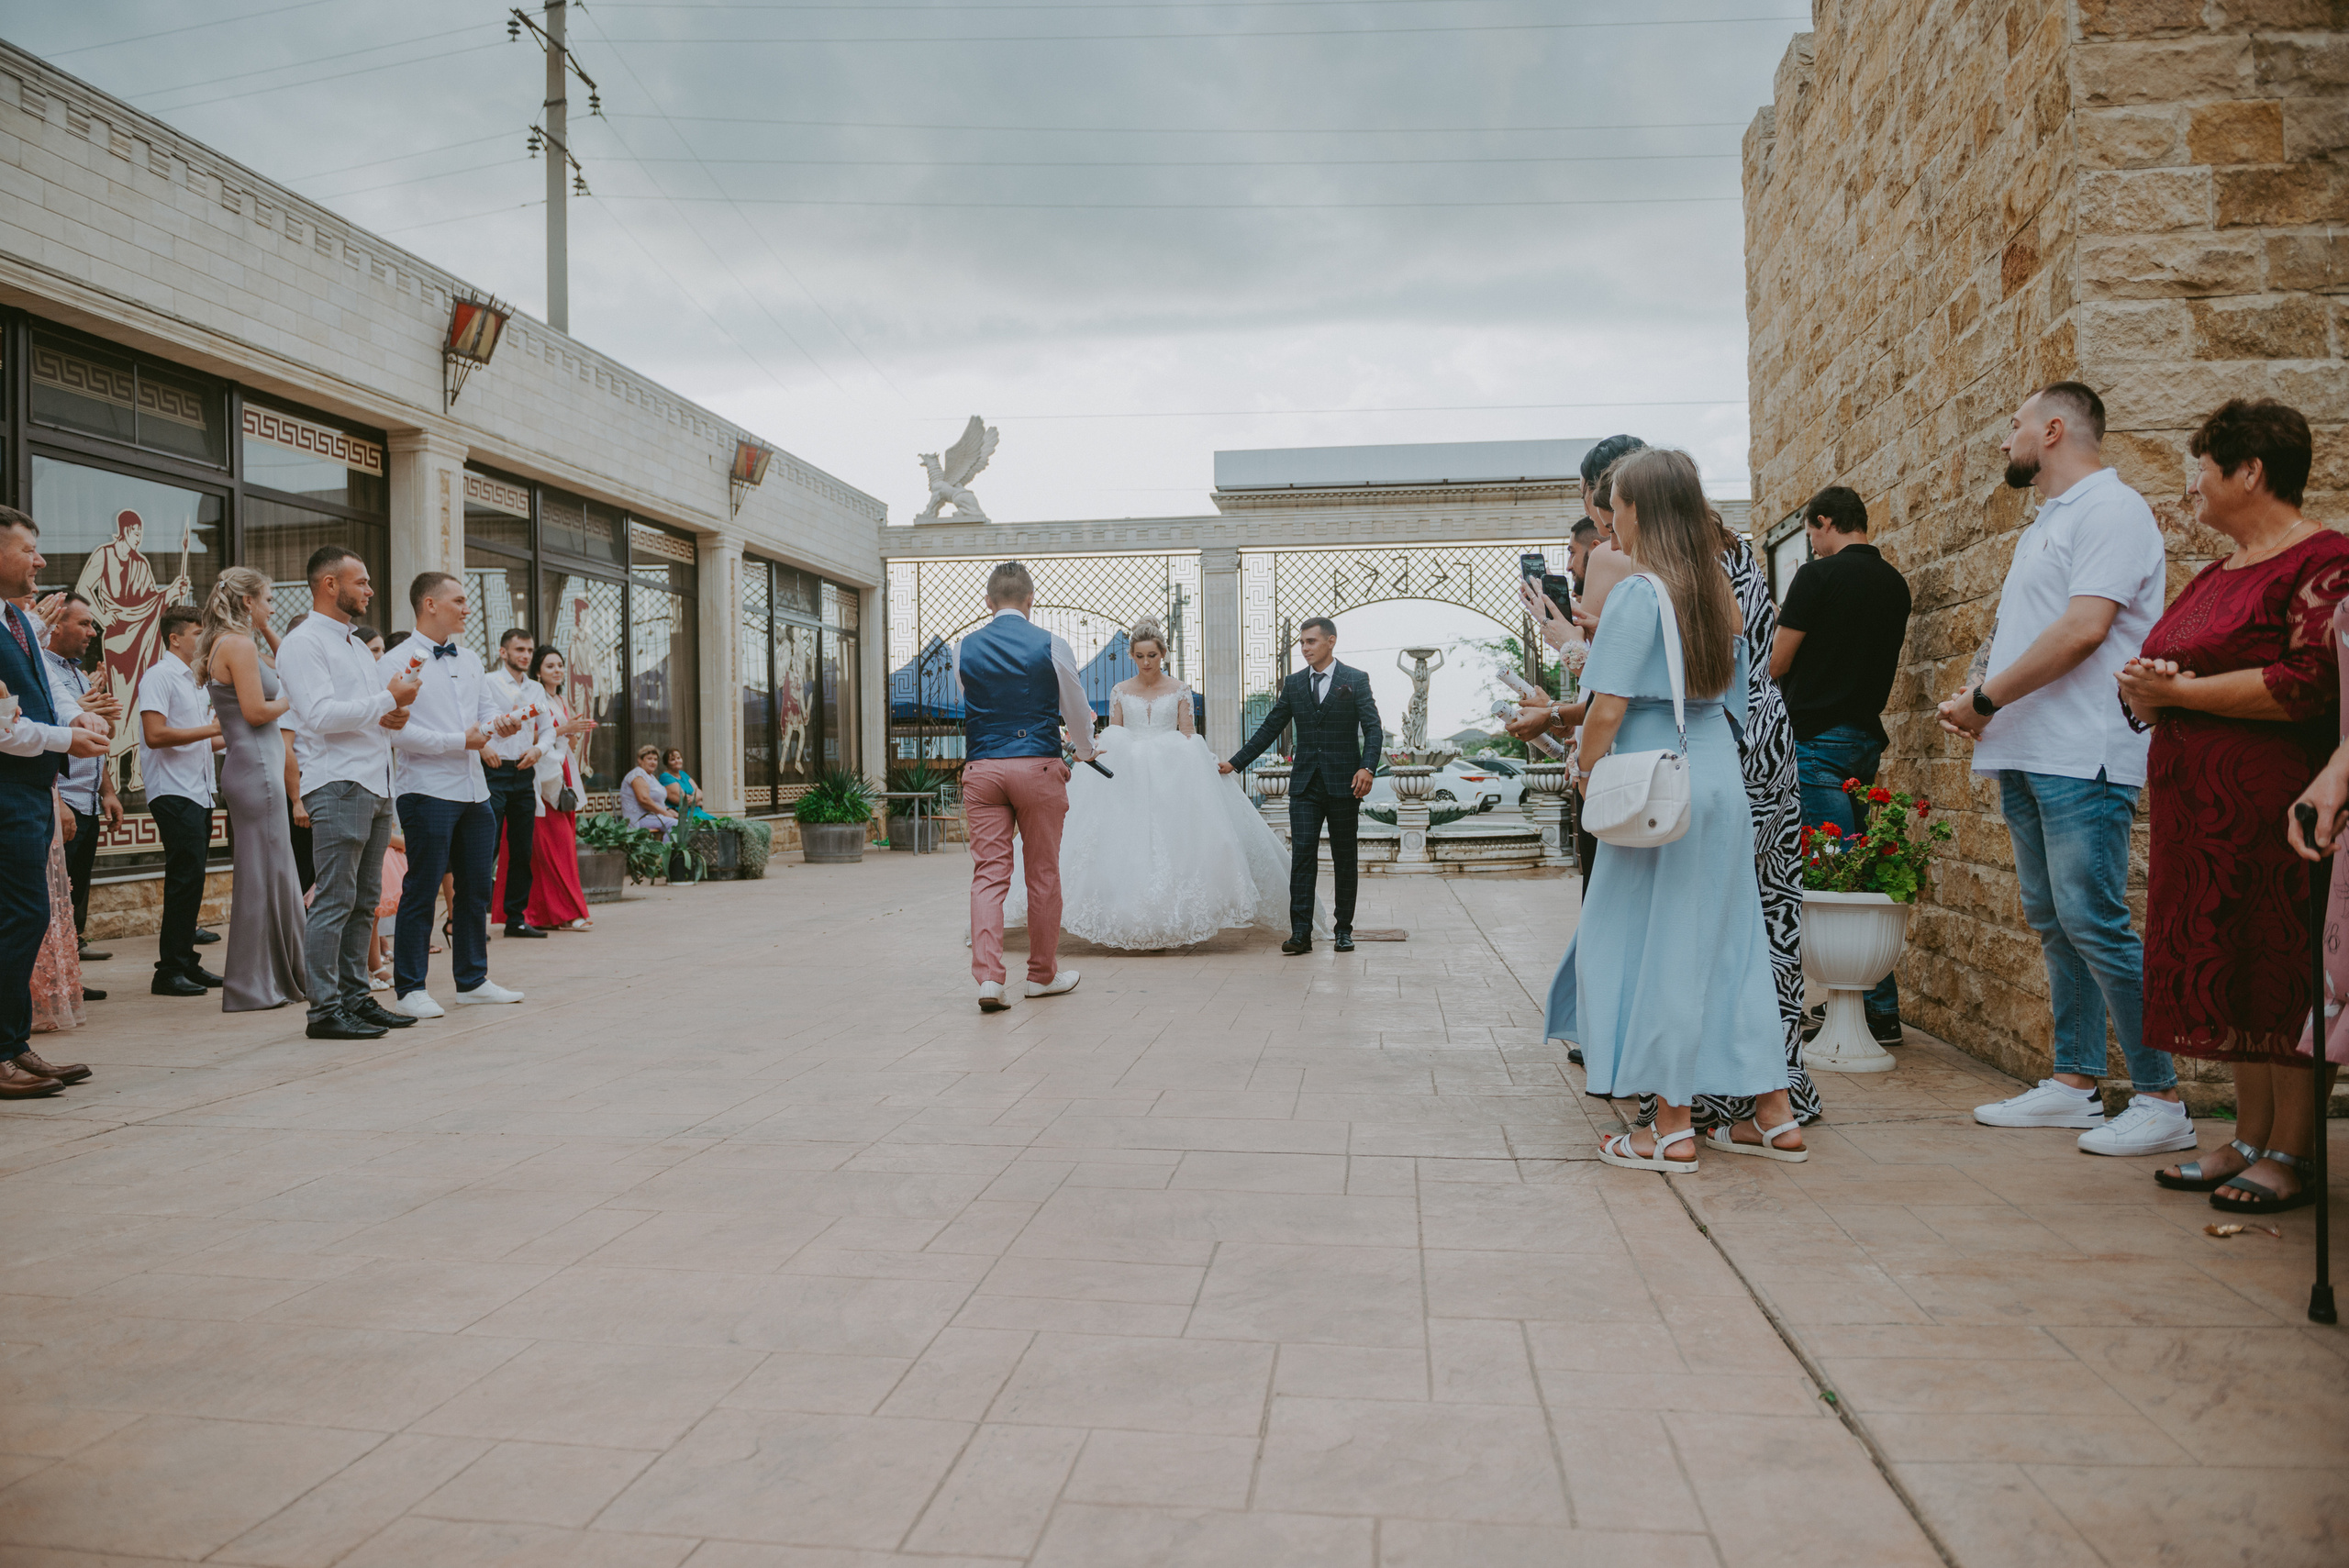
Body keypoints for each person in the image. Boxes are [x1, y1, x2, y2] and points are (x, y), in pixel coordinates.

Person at [1941, 382, 2181, 1150]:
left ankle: (2162, 1098)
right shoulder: (2049, 520)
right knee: (2054, 921)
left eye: (2012, 424)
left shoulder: (2113, 509)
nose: (2002, 439)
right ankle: (2076, 1083)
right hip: (2029, 749)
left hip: (2084, 753)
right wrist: (1976, 696)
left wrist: (1986, 698)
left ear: (2052, 429)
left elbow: (2084, 630)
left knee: (2095, 920)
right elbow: (2025, 630)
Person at [1553, 448, 1800, 1168]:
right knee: (1734, 945)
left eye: (1617, 505)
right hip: (1719, 775)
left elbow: (1607, 711)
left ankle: (1669, 1123)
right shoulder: (1716, 588)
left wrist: (1587, 768)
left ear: (1642, 510)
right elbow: (1732, 698)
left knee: (1658, 944)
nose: (1608, 521)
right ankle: (1773, 1116)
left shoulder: (1638, 593)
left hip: (1659, 785)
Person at [2131, 400, 2344, 1203]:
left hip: (2277, 807)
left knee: (2283, 970)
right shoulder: (2214, 573)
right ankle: (2247, 1137)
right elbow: (2164, 670)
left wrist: (2185, 693)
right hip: (2201, 818)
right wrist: (2150, 694)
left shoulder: (2323, 560)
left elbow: (2307, 681)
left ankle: (2292, 1152)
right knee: (2235, 977)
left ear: (2250, 471)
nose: (2194, 488)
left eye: (2204, 470)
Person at [1007, 617, 1308, 948]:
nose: (1146, 662)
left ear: (1162, 653)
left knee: (1177, 841)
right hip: (1127, 772)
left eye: (1152, 655)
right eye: (1139, 656)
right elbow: (1115, 733)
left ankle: (1174, 916)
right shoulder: (1120, 690)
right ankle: (1121, 912)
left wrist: (1207, 763)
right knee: (1118, 841)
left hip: (1172, 771)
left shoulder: (1179, 689)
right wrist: (1094, 751)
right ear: (1132, 657)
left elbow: (1188, 734)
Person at [1772, 484, 1914, 1036]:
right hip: (1862, 740)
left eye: (1810, 531)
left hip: (1815, 740)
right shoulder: (1893, 583)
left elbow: (1779, 662)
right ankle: (1875, 1003)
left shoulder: (1817, 577)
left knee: (1838, 873)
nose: (1810, 542)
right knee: (1860, 867)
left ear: (1825, 521)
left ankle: (1875, 1010)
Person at [279, 545, 419, 1042]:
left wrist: (393, 715)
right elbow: (316, 715)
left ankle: (357, 997)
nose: (370, 590)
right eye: (360, 581)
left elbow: (367, 711)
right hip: (337, 781)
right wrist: (388, 700)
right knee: (335, 899)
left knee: (364, 900)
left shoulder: (358, 646)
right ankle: (325, 1009)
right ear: (329, 584)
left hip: (375, 777)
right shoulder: (303, 643)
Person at [380, 573, 529, 1018]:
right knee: (422, 888)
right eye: (459, 600)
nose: (467, 608)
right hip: (426, 790)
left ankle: (473, 980)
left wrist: (498, 727)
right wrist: (457, 741)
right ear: (429, 604)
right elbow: (396, 731)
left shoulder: (470, 657)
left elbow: (484, 715)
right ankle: (410, 988)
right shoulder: (394, 660)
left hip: (474, 789)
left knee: (476, 889)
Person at [0, 506, 111, 1096]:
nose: (40, 561)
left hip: (27, 789)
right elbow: (1, 728)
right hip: (6, 791)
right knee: (18, 918)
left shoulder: (17, 622)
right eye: (28, 550)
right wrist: (69, 737)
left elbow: (39, 695)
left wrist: (78, 715)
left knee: (26, 917)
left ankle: (13, 1042)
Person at [955, 560, 1098, 1011]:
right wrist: (1086, 748)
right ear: (1031, 600)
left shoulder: (964, 648)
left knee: (988, 876)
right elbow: (1074, 706)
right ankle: (1041, 975)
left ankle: (988, 980)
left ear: (988, 602)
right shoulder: (1052, 644)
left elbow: (972, 700)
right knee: (1042, 873)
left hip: (982, 769)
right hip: (1037, 766)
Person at [1222, 616, 1383, 954]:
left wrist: (1367, 766)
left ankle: (1343, 930)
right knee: (1303, 856)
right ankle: (1301, 933)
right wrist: (1235, 763)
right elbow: (1269, 728)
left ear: (1331, 641)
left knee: (1344, 857)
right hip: (1306, 784)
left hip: (1345, 784)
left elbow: (1373, 728)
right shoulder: (1294, 684)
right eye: (1302, 642)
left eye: (1311, 641)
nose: (1305, 648)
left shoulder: (1355, 679)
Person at [195, 566, 307, 1013]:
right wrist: (294, 701)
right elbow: (258, 712)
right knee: (264, 876)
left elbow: (286, 667)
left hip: (253, 768)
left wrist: (266, 627)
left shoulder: (239, 642)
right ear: (247, 601)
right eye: (268, 600)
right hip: (257, 769)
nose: (272, 607)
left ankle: (284, 974)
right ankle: (255, 983)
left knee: (274, 871)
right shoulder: (237, 645)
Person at [137, 604, 224, 997]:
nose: (204, 640)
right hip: (173, 790)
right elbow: (155, 734)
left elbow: (207, 738)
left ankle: (186, 961)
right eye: (198, 633)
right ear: (175, 638)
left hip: (199, 790)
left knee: (193, 881)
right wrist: (208, 729)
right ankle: (168, 971)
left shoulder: (196, 681)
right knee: (183, 879)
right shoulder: (159, 676)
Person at [46, 594, 123, 983]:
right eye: (85, 624)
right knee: (55, 898)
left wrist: (108, 790)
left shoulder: (77, 673)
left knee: (76, 894)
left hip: (89, 799)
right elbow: (44, 735)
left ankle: (71, 979)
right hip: (64, 798)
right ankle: (56, 980)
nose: (92, 633)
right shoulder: (45, 671)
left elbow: (96, 738)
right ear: (56, 624)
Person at [492, 645, 596, 932]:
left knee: (555, 848)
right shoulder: (533, 695)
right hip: (537, 772)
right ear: (538, 671)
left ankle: (544, 913)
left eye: (560, 665)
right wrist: (564, 730)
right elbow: (530, 733)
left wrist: (569, 735)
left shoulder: (559, 699)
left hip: (561, 773)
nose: (558, 670)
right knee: (547, 848)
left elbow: (559, 739)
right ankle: (563, 911)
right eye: (550, 666)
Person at [483, 627, 554, 939]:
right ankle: (471, 918)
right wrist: (483, 749)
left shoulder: (537, 690)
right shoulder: (487, 683)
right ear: (503, 653)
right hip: (494, 771)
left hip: (525, 771)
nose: (525, 655)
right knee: (486, 847)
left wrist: (538, 750)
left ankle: (516, 918)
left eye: (528, 650)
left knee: (522, 848)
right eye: (519, 650)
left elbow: (549, 729)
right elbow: (472, 722)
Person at [619, 746, 679, 840]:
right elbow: (644, 800)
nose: (653, 762)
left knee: (685, 822)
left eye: (655, 759)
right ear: (640, 760)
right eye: (649, 759)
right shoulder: (637, 774)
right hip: (639, 818)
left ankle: (671, 850)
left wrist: (668, 810)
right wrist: (664, 812)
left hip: (652, 816)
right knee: (677, 825)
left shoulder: (651, 776)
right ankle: (666, 852)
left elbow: (656, 801)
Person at [660, 749, 711, 822]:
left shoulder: (683, 774)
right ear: (667, 763)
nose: (677, 761)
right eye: (673, 759)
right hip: (684, 815)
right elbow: (682, 800)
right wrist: (698, 801)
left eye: (679, 758)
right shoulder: (665, 777)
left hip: (697, 811)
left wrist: (695, 798)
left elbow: (699, 792)